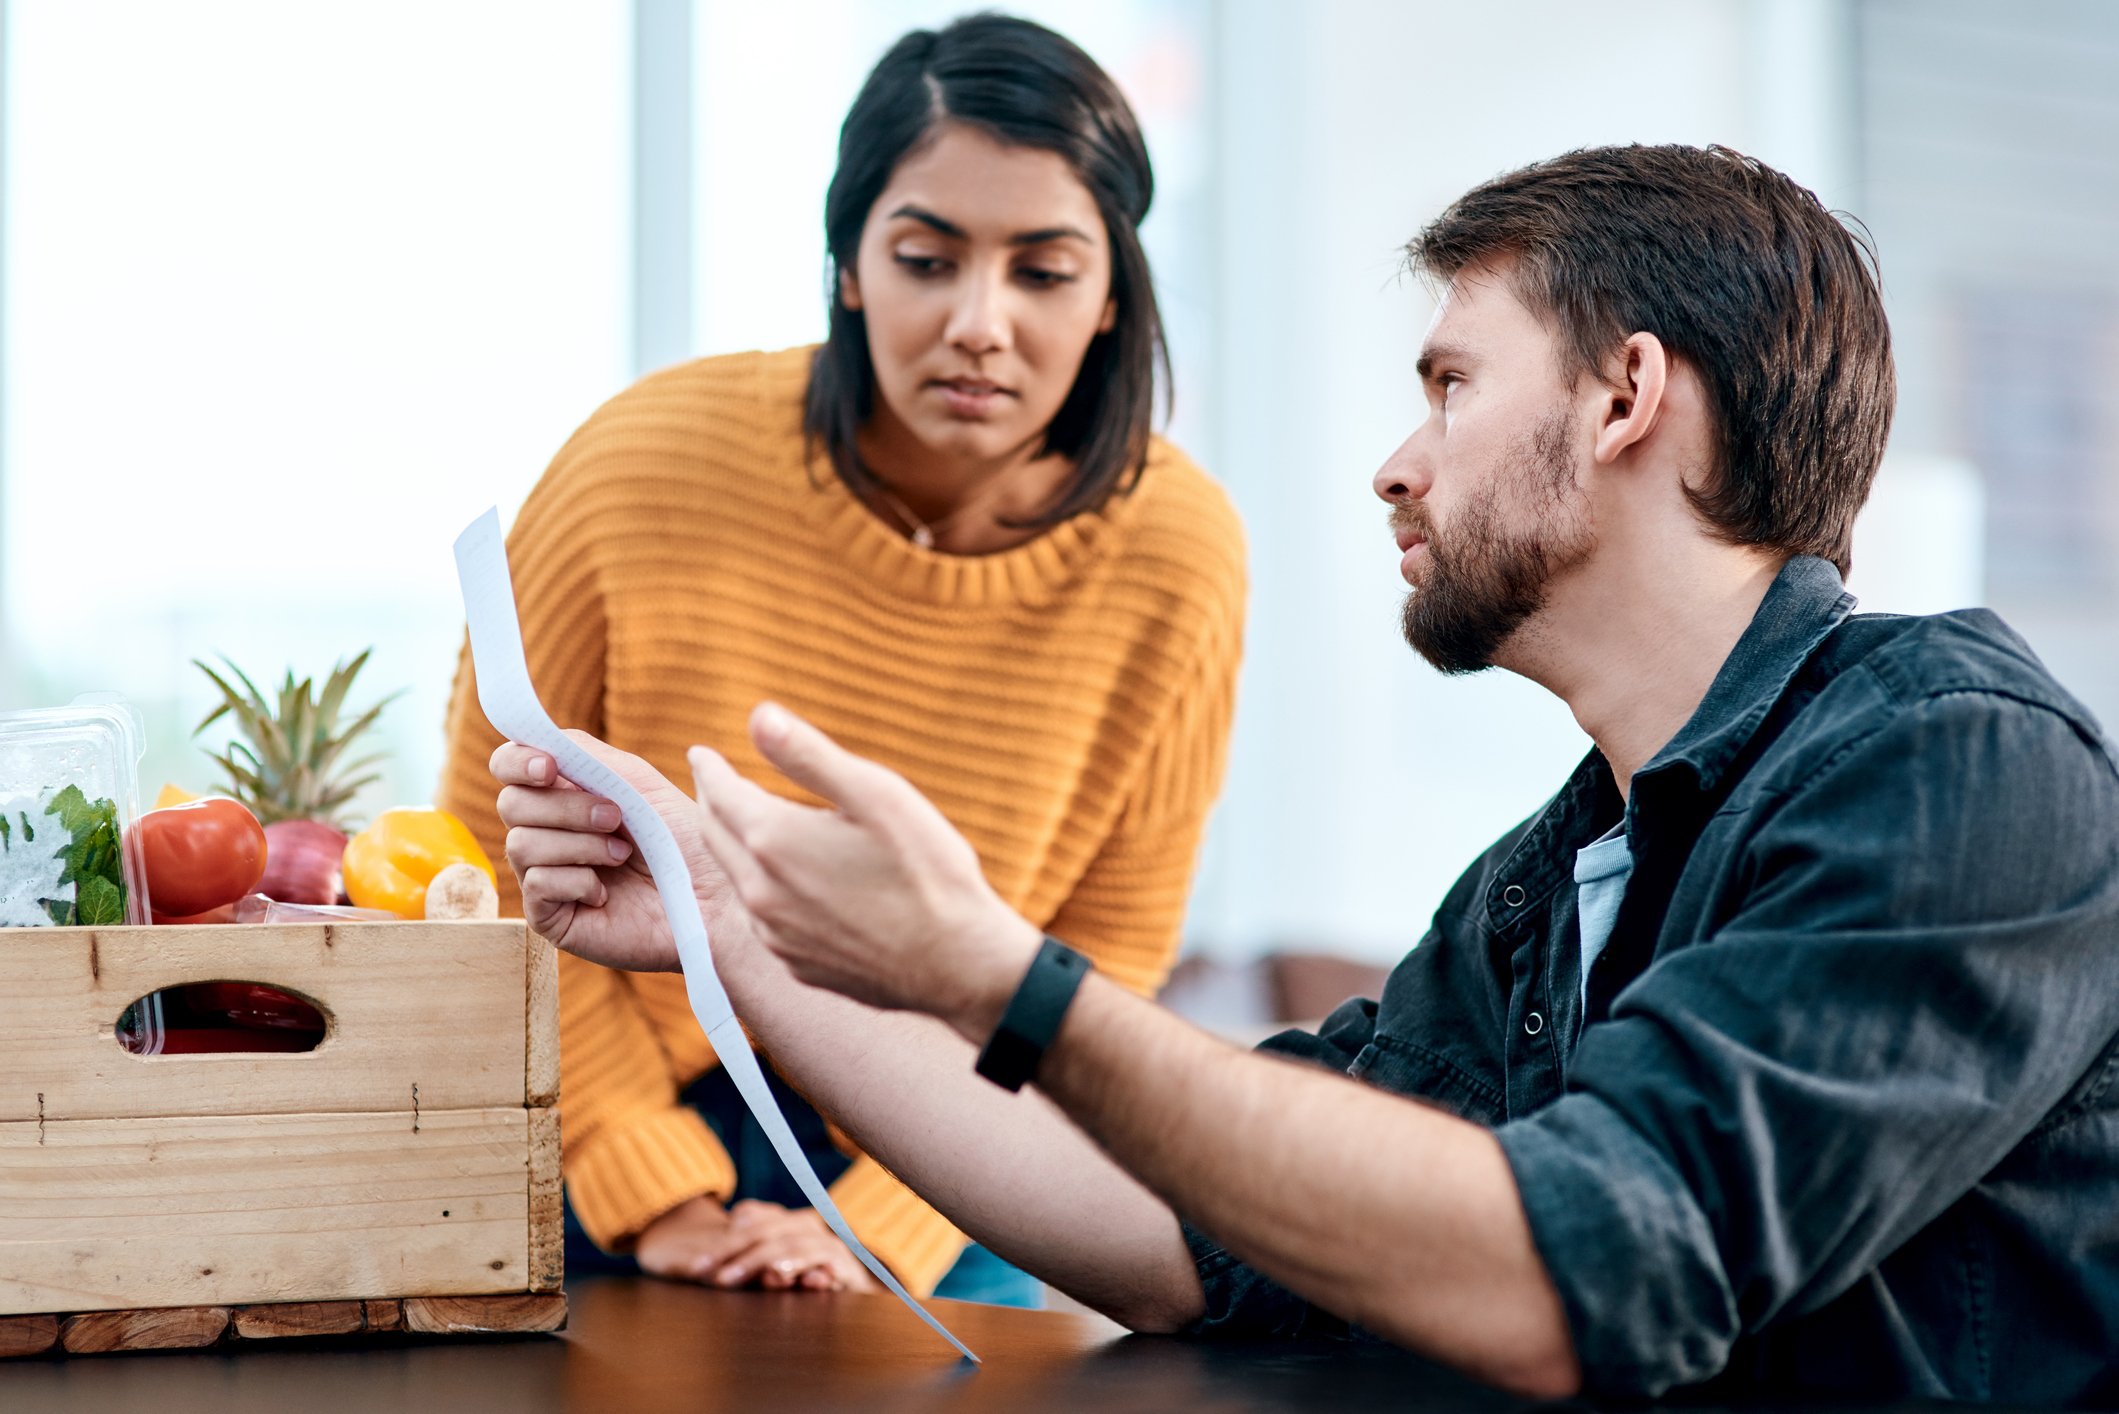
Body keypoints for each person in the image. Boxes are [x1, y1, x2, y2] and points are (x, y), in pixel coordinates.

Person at [489, 144, 2119, 1404]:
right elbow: (1183, 1231)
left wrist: (1001, 973)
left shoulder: (1957, 760)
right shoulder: (1545, 887)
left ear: (1627, 396)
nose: (1397, 466)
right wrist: (738, 933)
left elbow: (1592, 1265)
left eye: (1452, 385)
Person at [437, 14, 1245, 1309]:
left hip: (957, 1147)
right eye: (926, 259)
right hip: (601, 1101)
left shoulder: (1180, 551)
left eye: (1044, 272)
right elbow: (485, 843)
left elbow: (1102, 950)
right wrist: (650, 1182)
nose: (980, 324)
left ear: (1111, 296)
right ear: (851, 265)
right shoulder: (643, 462)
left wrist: (887, 1225)